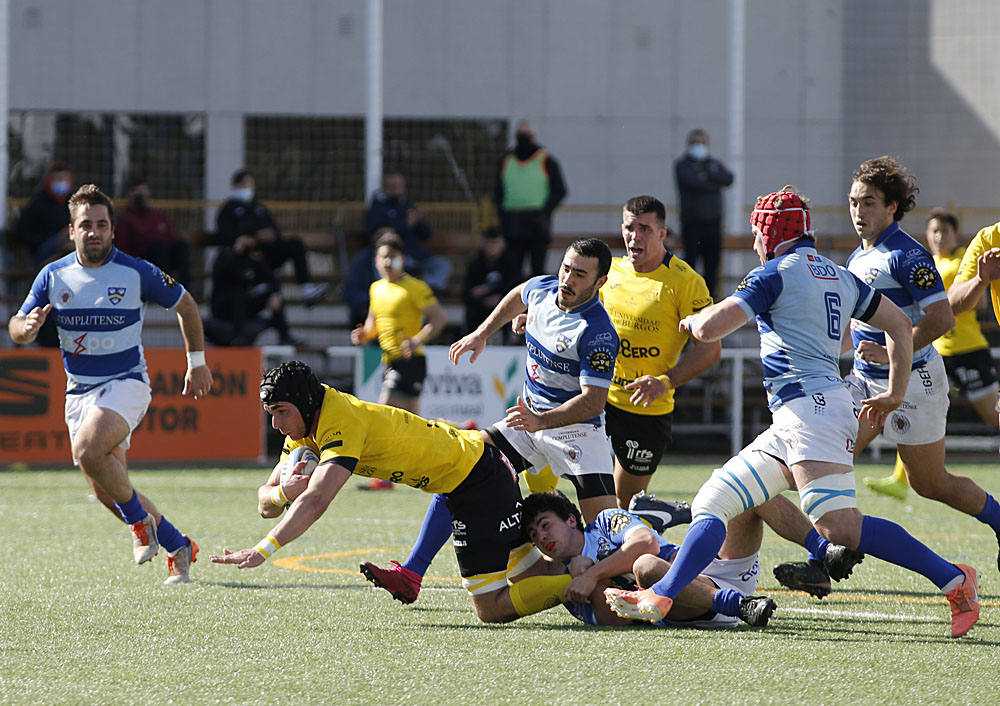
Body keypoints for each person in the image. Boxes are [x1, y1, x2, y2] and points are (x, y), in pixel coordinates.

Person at [605, 186, 980, 638]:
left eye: (755, 232)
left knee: (838, 526)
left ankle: (955, 579)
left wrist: (690, 321)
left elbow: (709, 328)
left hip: (812, 414)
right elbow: (901, 324)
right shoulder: (838, 274)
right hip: (804, 414)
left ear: (769, 231)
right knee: (715, 499)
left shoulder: (773, 273)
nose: (753, 243)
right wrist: (894, 392)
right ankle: (661, 594)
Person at [211, 361, 576, 625]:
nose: (275, 424)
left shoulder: (340, 421)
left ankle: (590, 579)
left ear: (305, 404)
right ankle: (595, 572)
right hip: (466, 476)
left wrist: (264, 549)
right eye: (269, 413)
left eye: (280, 412)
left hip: (478, 481)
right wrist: (281, 494)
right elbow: (265, 502)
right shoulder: (302, 431)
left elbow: (319, 498)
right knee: (531, 578)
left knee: (491, 609)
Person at [359, 238, 623, 602]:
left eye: (580, 274)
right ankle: (411, 573)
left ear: (600, 282)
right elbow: (519, 294)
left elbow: (592, 402)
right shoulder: (545, 289)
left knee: (609, 538)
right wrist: (482, 333)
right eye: (566, 268)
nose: (567, 278)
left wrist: (540, 420)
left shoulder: (598, 332)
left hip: (577, 433)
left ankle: (644, 588)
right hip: (528, 421)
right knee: (462, 468)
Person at [7, 184, 211, 584]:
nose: (94, 232)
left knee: (88, 450)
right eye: (86, 225)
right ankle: (178, 543)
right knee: (106, 488)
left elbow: (186, 304)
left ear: (113, 230)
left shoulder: (136, 272)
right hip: (79, 391)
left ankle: (140, 525)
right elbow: (17, 325)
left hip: (126, 382)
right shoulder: (53, 275)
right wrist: (26, 330)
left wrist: (197, 362)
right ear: (72, 230)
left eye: (102, 224)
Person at [522, 490, 850, 628]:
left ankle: (821, 556)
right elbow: (618, 622)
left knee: (751, 496)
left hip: (712, 564)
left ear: (570, 519)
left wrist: (593, 572)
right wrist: (591, 581)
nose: (542, 538)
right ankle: (738, 605)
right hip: (694, 606)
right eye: (535, 536)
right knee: (647, 569)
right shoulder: (565, 583)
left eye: (545, 525)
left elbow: (645, 541)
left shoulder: (606, 521)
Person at [866, 208, 999, 501]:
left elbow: (967, 305)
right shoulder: (931, 262)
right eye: (934, 231)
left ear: (955, 234)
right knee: (917, 410)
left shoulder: (959, 260)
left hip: (967, 350)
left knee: (993, 414)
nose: (939, 237)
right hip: (936, 350)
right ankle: (900, 479)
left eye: (945, 231)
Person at [601, 195, 721, 507]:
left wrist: (664, 382)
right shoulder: (609, 272)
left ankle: (658, 525)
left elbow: (709, 349)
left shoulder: (685, 282)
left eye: (644, 229)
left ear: (662, 234)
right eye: (629, 228)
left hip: (644, 411)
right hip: (597, 402)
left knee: (624, 503)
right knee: (594, 499)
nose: (634, 236)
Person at [351, 230, 448, 415]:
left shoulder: (415, 287)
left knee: (385, 415)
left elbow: (439, 318)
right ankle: (465, 428)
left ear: (402, 258)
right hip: (389, 361)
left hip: (410, 360)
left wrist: (417, 340)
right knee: (412, 422)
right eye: (383, 257)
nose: (387, 262)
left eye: (392, 257)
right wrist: (363, 336)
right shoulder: (376, 288)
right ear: (376, 260)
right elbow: (372, 327)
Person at [215, 168, 327, 304]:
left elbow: (274, 231)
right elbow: (225, 236)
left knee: (295, 244)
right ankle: (268, 294)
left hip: (268, 251)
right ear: (235, 186)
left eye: (251, 184)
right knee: (260, 263)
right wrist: (244, 239)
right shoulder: (228, 209)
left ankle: (306, 289)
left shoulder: (259, 209)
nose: (249, 188)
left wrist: (270, 235)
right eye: (245, 184)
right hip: (248, 257)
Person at [493, 120, 567, 279]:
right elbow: (497, 192)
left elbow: (560, 190)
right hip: (512, 222)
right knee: (512, 271)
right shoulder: (506, 160)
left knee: (537, 270)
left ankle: (537, 303)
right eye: (521, 135)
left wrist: (544, 212)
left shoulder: (546, 160)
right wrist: (503, 216)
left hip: (537, 223)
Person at [204, 233, 300, 347]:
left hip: (246, 305)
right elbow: (219, 275)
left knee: (273, 297)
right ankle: (237, 336)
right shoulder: (226, 254)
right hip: (224, 305)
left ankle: (284, 336)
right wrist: (236, 252)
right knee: (238, 294)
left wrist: (275, 293)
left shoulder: (254, 257)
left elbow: (271, 278)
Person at [366, 172, 452, 293]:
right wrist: (406, 224)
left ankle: (425, 290)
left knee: (442, 265)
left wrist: (420, 221)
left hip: (417, 255)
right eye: (392, 185)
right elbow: (381, 236)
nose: (395, 188)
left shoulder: (407, 206)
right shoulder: (377, 208)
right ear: (385, 187)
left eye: (398, 185)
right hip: (396, 255)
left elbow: (426, 235)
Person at [674, 129, 733, 298]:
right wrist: (713, 181)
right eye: (695, 142)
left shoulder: (712, 163)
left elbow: (728, 178)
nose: (698, 146)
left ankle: (709, 303)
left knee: (712, 268)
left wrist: (708, 177)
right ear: (688, 145)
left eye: (702, 142)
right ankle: (688, 301)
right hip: (692, 224)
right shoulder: (682, 165)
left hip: (713, 224)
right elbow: (694, 183)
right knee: (690, 266)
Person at [114, 177, 192, 289]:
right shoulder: (125, 219)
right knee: (159, 247)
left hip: (165, 258)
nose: (141, 194)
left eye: (144, 190)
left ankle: (185, 290)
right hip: (142, 260)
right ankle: (164, 289)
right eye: (137, 191)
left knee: (181, 246)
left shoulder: (157, 216)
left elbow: (171, 237)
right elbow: (123, 247)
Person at [462, 227, 520, 338]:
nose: (492, 247)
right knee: (472, 312)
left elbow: (515, 287)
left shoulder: (510, 264)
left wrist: (499, 297)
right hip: (480, 306)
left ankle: (510, 340)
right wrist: (482, 296)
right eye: (489, 243)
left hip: (504, 303)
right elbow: (468, 291)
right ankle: (472, 338)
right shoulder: (475, 265)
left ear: (502, 244)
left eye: (495, 243)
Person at [15, 161, 73, 265]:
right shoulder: (38, 203)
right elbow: (23, 232)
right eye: (58, 179)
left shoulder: (72, 202)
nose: (61, 182)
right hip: (41, 253)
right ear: (49, 181)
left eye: (64, 179)